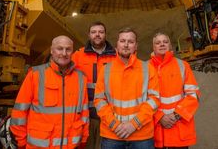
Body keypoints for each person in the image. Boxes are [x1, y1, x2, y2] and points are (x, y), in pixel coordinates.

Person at [10, 36, 89, 149]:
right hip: (40, 146)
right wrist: (21, 141)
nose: (64, 53)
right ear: (52, 50)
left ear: (72, 52)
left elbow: (84, 114)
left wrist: (83, 139)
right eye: (59, 48)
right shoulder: (35, 75)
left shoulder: (81, 78)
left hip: (71, 146)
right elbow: (19, 112)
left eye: (68, 49)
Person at [94, 27, 160, 149]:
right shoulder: (106, 70)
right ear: (117, 45)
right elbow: (99, 101)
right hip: (112, 135)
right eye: (122, 41)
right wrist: (115, 125)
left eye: (130, 41)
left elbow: (154, 100)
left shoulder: (148, 69)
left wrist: (134, 124)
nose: (126, 45)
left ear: (136, 46)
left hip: (141, 136)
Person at [150, 33, 200, 149]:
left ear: (170, 45)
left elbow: (193, 95)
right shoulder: (146, 68)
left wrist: (176, 116)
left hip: (178, 129)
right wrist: (160, 117)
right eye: (158, 43)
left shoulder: (183, 65)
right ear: (153, 47)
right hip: (155, 131)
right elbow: (141, 98)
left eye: (165, 42)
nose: (162, 44)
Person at [72, 21, 116, 149]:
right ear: (89, 35)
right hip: (85, 116)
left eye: (101, 32)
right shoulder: (78, 56)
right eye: (94, 32)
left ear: (105, 35)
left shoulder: (115, 56)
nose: (97, 35)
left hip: (108, 116)